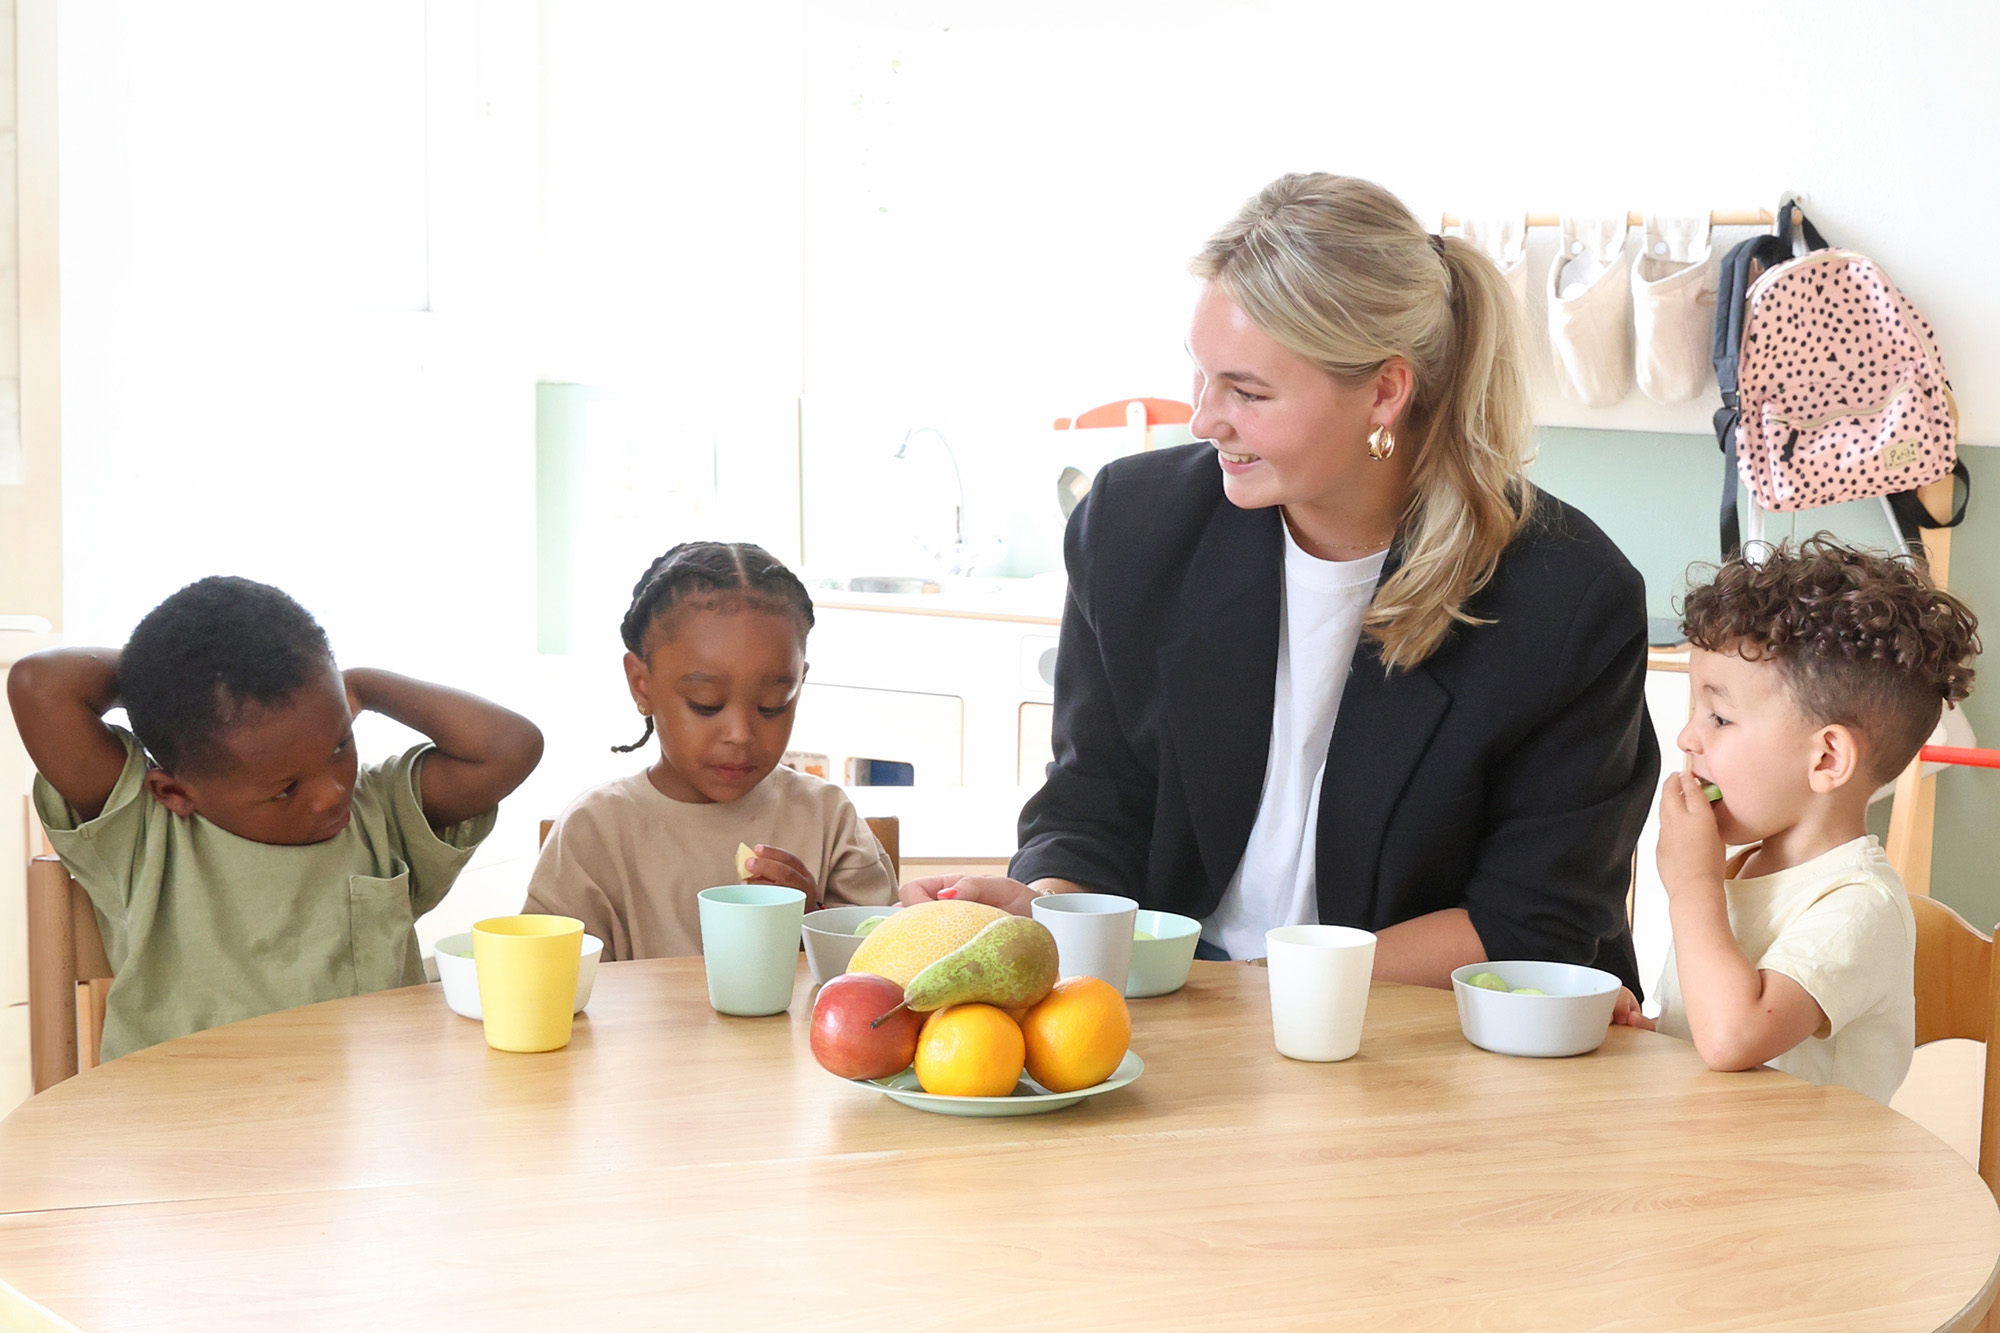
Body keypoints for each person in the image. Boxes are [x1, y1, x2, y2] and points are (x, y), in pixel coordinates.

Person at [904, 173, 1659, 990]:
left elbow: (1531, 920)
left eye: (1248, 391)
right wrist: (1048, 910)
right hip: (1185, 1011)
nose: (1203, 418)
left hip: (1431, 1041)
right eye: (1201, 373)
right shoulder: (1133, 527)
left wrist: (1262, 988)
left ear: (1383, 391)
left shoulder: (1566, 599)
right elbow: (1094, 802)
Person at [8, 576, 543, 1061]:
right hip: (186, 1138)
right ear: (174, 791)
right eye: (286, 789)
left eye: (340, 745)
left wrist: (368, 685)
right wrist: (175, 691)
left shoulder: (381, 811)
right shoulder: (143, 831)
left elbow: (509, 746)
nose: (331, 794)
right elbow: (39, 685)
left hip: (366, 1134)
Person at [1613, 537, 1979, 1103]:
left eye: (1719, 717)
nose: (1688, 737)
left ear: (1827, 758)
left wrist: (1691, 887)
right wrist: (1656, 1032)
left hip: (1808, 1186)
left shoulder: (1858, 905)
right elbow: (1710, 1038)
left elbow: (1734, 1036)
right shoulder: (1741, 871)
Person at [525, 542, 895, 960]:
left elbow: (889, 975)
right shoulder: (595, 832)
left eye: (773, 705)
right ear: (641, 685)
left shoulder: (828, 820)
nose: (740, 733)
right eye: (705, 703)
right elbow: (552, 994)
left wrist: (813, 922)